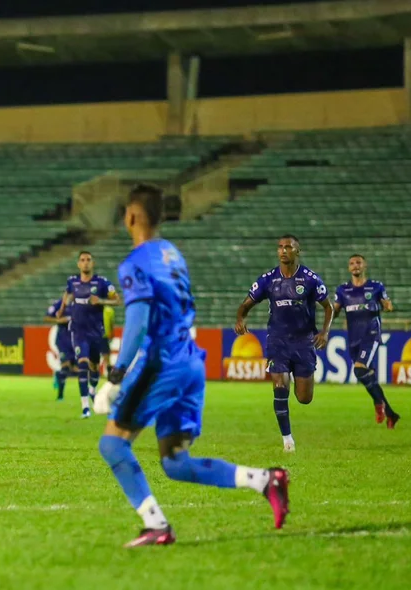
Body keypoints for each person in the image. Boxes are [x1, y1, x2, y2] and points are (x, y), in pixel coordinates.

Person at [94, 184, 290, 548]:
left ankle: (157, 526)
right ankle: (266, 480)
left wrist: (117, 374)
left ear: (132, 215)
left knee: (112, 444)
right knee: (175, 462)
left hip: (161, 364)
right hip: (189, 362)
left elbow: (137, 320)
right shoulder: (171, 253)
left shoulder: (134, 262)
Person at [235, 235, 334, 452]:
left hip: (304, 342)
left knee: (304, 398)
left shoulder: (310, 279)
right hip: (277, 341)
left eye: (288, 247)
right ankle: (287, 440)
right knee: (280, 387)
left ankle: (299, 396)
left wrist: (325, 333)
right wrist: (240, 319)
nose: (283, 251)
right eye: (280, 247)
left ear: (297, 251)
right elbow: (245, 305)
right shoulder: (268, 279)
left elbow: (328, 307)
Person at [333, 254, 400, 428]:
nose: (355, 266)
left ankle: (379, 405)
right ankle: (391, 414)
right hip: (354, 337)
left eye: (358, 263)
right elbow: (335, 310)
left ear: (365, 266)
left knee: (359, 369)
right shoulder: (342, 290)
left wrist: (386, 306)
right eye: (352, 263)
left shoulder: (376, 287)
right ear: (349, 268)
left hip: (371, 333)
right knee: (368, 377)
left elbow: (388, 305)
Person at [58, 251, 120, 418]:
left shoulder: (102, 283)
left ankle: (92, 389)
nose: (85, 263)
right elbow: (67, 294)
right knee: (83, 364)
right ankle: (85, 407)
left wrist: (101, 301)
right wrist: (62, 309)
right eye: (82, 260)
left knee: (94, 367)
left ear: (93, 263)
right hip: (78, 331)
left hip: (96, 332)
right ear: (78, 264)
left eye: (88, 260)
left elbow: (117, 300)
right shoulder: (72, 282)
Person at [44, 297, 74, 401]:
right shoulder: (59, 304)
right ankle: (60, 396)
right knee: (65, 366)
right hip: (63, 341)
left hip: (77, 340)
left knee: (75, 368)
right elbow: (46, 318)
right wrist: (59, 320)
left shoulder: (81, 304)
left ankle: (58, 374)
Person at [99, 305, 116, 379]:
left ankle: (109, 374)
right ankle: (94, 373)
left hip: (103, 336)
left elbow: (111, 323)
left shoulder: (109, 310)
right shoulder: (92, 308)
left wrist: (112, 333)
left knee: (106, 356)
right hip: (94, 335)